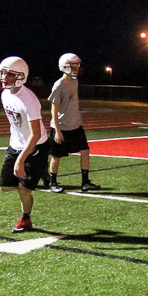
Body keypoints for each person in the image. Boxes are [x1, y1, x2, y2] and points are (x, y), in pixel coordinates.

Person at [0, 56, 49, 232]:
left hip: (35, 146)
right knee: (5, 186)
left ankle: (25, 219)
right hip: (17, 144)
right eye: (3, 73)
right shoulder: (5, 94)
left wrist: (20, 159)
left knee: (23, 188)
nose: (4, 78)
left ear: (21, 76)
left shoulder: (29, 99)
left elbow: (34, 135)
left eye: (9, 75)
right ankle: (41, 170)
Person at [47, 52, 99, 193]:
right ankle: (53, 182)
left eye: (77, 64)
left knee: (85, 151)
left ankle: (85, 182)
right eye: (74, 64)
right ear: (65, 66)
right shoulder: (58, 85)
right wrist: (57, 130)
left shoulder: (75, 81)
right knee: (56, 156)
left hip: (75, 125)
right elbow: (54, 109)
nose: (77, 67)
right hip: (61, 127)